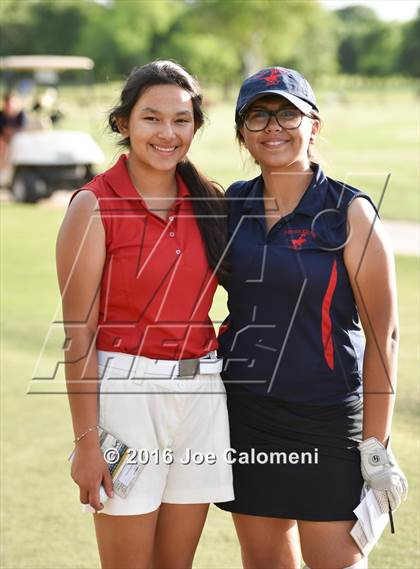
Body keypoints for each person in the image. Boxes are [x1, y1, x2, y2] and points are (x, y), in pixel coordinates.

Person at [215, 67, 408, 569]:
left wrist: (376, 444)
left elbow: (383, 335)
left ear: (313, 125)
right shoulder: (229, 205)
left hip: (327, 420)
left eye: (287, 113)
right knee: (263, 561)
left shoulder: (349, 211)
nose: (273, 126)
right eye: (257, 116)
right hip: (248, 416)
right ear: (242, 134)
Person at [56, 60, 234, 569]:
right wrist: (87, 443)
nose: (167, 133)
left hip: (201, 395)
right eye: (151, 118)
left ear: (196, 126)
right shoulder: (93, 206)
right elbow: (78, 336)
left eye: (181, 120)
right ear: (123, 123)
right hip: (126, 400)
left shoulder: (210, 202)